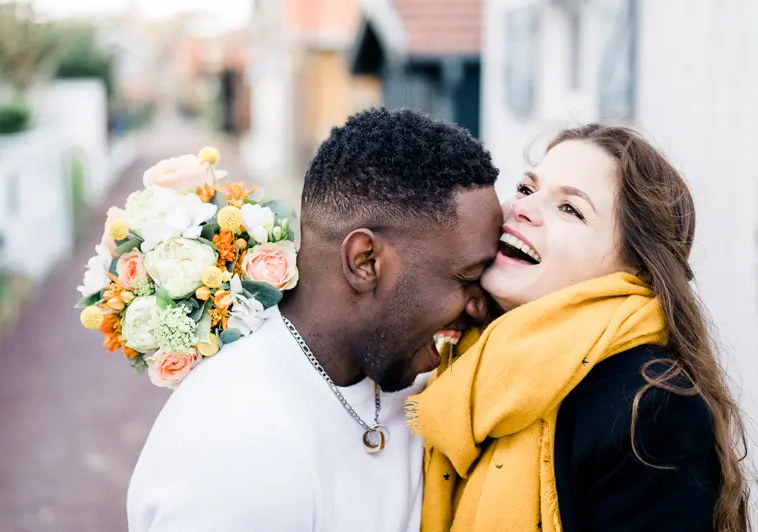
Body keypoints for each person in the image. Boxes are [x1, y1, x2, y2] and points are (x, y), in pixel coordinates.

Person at [126, 108, 503, 531]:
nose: (479, 305)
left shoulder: (418, 381)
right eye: (467, 278)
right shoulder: (235, 449)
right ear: (366, 262)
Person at [408, 124, 751, 532]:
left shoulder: (652, 406)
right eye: (526, 188)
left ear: (637, 269)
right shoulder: (461, 363)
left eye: (570, 209)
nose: (523, 208)